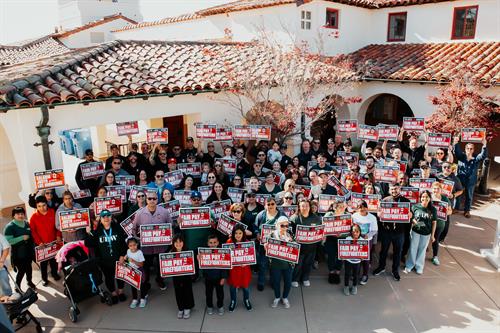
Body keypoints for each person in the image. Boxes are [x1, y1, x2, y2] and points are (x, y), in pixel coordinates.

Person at [85, 209, 127, 304]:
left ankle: (120, 291)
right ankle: (113, 293)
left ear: (111, 217)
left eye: (108, 215)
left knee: (120, 276)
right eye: (103, 216)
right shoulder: (97, 232)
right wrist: (88, 233)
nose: (106, 218)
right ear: (101, 219)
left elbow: (123, 244)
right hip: (104, 261)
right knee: (109, 277)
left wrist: (122, 256)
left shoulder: (117, 228)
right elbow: (88, 243)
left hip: (118, 259)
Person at [133, 191, 172, 291]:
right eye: (149, 198)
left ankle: (160, 279)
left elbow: (170, 226)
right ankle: (146, 283)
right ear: (146, 200)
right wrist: (137, 239)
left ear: (157, 200)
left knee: (160, 265)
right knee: (146, 267)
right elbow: (134, 229)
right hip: (146, 248)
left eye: (154, 198)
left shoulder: (164, 212)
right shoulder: (139, 213)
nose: (152, 200)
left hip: (161, 246)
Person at [374, 184, 410, 281]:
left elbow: (410, 215)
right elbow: (380, 214)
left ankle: (395, 270)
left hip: (399, 232)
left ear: (400, 189)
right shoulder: (385, 200)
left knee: (397, 252)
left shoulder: (406, 201)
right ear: (390, 190)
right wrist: (379, 214)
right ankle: (381, 267)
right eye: (392, 189)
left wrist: (411, 215)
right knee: (383, 251)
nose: (394, 191)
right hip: (387, 231)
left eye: (396, 189)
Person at [29, 196, 62, 286]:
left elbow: (58, 225)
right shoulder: (33, 217)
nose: (42, 208)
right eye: (39, 206)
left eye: (43, 205)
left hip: (53, 242)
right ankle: (44, 278)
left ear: (46, 204)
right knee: (43, 263)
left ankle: (54, 274)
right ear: (36, 206)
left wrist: (58, 235)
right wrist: (39, 242)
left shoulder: (52, 212)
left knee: (53, 260)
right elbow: (33, 232)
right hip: (42, 244)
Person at [453, 135, 488, 218]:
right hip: (460, 179)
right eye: (468, 148)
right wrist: (456, 142)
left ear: (473, 150)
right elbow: (457, 151)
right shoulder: (461, 156)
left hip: (471, 181)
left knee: (469, 196)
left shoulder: (476, 158)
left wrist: (484, 145)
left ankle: (467, 211)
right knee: (458, 194)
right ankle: (456, 208)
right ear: (465, 149)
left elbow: (483, 156)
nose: (469, 150)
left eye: (471, 148)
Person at [255, 197, 284, 291]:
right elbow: (255, 227)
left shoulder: (281, 215)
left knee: (274, 266)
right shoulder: (261, 215)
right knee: (263, 265)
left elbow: (287, 227)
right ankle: (261, 282)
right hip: (263, 246)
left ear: (276, 204)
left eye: (272, 204)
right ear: (265, 205)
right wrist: (257, 234)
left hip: (276, 246)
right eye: (268, 204)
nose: (270, 206)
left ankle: (273, 282)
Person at [404, 191, 437, 275]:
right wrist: (414, 222)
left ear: (430, 198)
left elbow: (434, 222)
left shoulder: (433, 209)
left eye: (427, 197)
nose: (424, 199)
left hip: (426, 233)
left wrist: (433, 235)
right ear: (420, 198)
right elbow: (411, 217)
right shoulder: (415, 206)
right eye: (423, 197)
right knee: (412, 249)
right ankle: (409, 265)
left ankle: (419, 266)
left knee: (422, 250)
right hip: (415, 231)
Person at [290, 199, 321, 287]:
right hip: (299, 248)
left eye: (307, 206)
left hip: (311, 247)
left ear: (310, 207)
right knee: (298, 265)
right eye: (302, 206)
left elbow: (320, 230)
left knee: (308, 264)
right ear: (299, 207)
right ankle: (295, 279)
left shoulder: (315, 218)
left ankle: (305, 278)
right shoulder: (294, 218)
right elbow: (289, 232)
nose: (305, 208)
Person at [4, 207, 35, 291]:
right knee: (21, 270)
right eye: (18, 214)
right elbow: (8, 241)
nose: (20, 215)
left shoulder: (26, 223)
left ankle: (29, 281)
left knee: (29, 267)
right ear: (13, 215)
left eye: (22, 214)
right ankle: (17, 286)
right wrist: (21, 238)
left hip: (28, 251)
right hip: (18, 253)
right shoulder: (10, 227)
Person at [267, 216, 294, 308]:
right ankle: (277, 297)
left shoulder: (290, 233)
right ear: (277, 225)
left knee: (288, 282)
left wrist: (292, 242)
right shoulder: (272, 234)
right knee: (276, 282)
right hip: (276, 264)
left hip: (288, 264)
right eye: (282, 225)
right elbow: (267, 248)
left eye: (287, 225)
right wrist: (266, 247)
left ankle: (285, 297)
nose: (285, 228)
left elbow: (296, 247)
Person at [227, 225, 253, 312]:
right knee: (233, 287)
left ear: (243, 233)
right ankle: (233, 301)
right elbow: (225, 257)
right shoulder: (229, 242)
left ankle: (246, 300)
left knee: (245, 287)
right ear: (233, 233)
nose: (238, 235)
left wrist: (246, 262)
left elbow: (252, 257)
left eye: (240, 233)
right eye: (236, 233)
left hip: (244, 270)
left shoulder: (247, 242)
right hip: (233, 270)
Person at [352, 201, 377, 285]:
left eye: (363, 207)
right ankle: (356, 273)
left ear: (366, 208)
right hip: (356, 239)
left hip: (367, 240)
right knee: (356, 257)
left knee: (366, 258)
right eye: (359, 207)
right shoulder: (354, 216)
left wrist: (368, 235)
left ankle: (365, 275)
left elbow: (375, 230)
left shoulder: (372, 217)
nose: (361, 209)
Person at [202, 234, 227, 316]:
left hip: (219, 278)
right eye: (211, 242)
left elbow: (224, 266)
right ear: (208, 243)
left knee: (220, 294)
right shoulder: (204, 253)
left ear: (218, 243)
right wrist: (199, 259)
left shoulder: (222, 253)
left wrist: (223, 277)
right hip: (208, 278)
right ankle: (209, 306)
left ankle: (220, 306)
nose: (212, 244)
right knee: (208, 294)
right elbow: (202, 266)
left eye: (214, 242)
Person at [438, 161, 463, 242]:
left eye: (448, 167)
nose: (446, 168)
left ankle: (442, 237)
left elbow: (461, 190)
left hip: (448, 203)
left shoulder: (455, 179)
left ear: (451, 169)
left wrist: (453, 195)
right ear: (442, 168)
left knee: (445, 220)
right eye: (444, 167)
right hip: (437, 201)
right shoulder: (437, 177)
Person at [323, 200, 347, 284]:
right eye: (340, 206)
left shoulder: (347, 216)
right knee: (331, 256)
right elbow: (324, 226)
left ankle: (337, 271)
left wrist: (341, 234)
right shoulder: (329, 215)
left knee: (340, 256)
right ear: (335, 207)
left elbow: (349, 230)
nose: (342, 208)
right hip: (330, 239)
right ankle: (331, 271)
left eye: (343, 206)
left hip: (342, 239)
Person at [171, 234, 195, 319]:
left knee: (187, 291)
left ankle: (187, 307)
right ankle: (180, 308)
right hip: (176, 277)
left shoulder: (188, 252)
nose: (178, 244)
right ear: (173, 243)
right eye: (176, 242)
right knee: (178, 292)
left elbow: (193, 264)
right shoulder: (171, 253)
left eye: (180, 241)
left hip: (186, 277)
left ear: (183, 242)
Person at [430, 182, 452, 266]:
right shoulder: (429, 197)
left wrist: (444, 213)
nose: (436, 190)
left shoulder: (445, 199)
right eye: (434, 188)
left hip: (439, 222)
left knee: (436, 239)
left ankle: (435, 256)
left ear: (441, 190)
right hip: (428, 222)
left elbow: (450, 211)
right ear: (432, 189)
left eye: (438, 188)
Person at [125, 237, 148, 308]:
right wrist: (124, 258)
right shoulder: (128, 250)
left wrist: (133, 261)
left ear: (137, 244)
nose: (133, 247)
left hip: (139, 270)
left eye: (134, 245)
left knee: (141, 286)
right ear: (128, 246)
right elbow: (126, 256)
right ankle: (134, 299)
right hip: (131, 270)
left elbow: (141, 264)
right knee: (133, 285)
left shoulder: (139, 252)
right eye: (130, 246)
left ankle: (143, 298)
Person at [343, 224, 363, 296]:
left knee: (355, 275)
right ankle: (346, 286)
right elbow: (343, 250)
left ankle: (354, 286)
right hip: (348, 261)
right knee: (347, 274)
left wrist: (362, 257)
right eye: (353, 231)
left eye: (357, 231)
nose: (355, 233)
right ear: (351, 232)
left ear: (360, 232)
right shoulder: (348, 239)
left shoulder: (362, 240)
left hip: (357, 261)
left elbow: (364, 252)